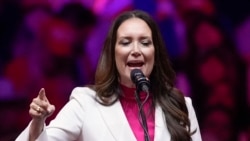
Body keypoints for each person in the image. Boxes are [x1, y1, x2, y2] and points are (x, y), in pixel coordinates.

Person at [16, 10, 201, 141]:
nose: (136, 50)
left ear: (156, 52)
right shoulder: (86, 103)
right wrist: (38, 123)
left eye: (145, 43)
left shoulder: (181, 107)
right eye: (126, 42)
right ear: (112, 54)